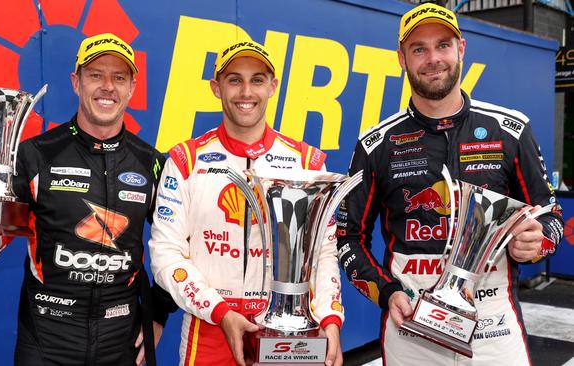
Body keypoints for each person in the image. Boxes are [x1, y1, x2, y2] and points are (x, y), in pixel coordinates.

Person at [337, 3, 564, 365]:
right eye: (418, 49)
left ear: (461, 48)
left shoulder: (510, 131)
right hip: (410, 327)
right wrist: (386, 292)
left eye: (442, 45)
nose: (433, 59)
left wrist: (538, 241)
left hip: (495, 331)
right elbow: (348, 239)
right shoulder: (375, 145)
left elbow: (551, 215)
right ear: (401, 58)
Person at [0, 33, 176, 366]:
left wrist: (157, 313)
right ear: (76, 82)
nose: (107, 87)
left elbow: (176, 244)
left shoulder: (152, 163)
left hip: (121, 342)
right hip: (46, 342)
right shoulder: (35, 155)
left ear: (132, 87)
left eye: (119, 77)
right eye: (95, 75)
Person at [148, 40, 344, 366]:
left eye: (257, 80)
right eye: (234, 79)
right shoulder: (185, 160)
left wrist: (329, 319)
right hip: (210, 327)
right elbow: (165, 255)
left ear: (273, 86)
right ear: (216, 87)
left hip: (288, 327)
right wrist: (221, 312)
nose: (245, 92)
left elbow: (323, 254)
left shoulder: (307, 163)